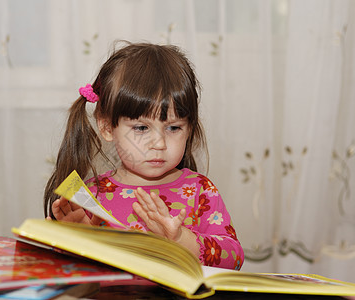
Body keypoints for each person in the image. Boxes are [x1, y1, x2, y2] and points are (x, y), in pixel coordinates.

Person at [44, 41, 244, 270]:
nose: (158, 143)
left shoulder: (200, 190)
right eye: (141, 128)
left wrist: (180, 239)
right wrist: (72, 240)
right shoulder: (88, 196)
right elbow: (64, 274)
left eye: (173, 128)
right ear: (107, 127)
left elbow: (234, 258)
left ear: (190, 129)